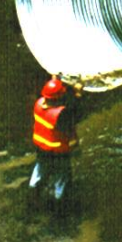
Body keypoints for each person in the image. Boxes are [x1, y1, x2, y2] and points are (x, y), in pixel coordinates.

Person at [29, 75, 88, 212]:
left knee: (40, 170)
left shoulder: (38, 103)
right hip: (58, 151)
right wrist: (78, 94)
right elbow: (76, 114)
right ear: (58, 98)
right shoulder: (59, 115)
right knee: (61, 176)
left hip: (41, 148)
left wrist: (55, 80)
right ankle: (59, 206)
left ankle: (32, 197)